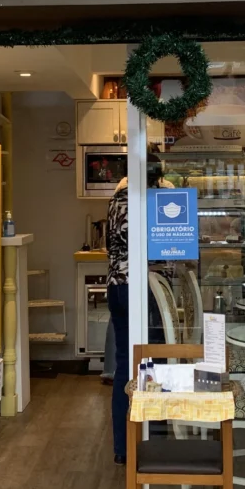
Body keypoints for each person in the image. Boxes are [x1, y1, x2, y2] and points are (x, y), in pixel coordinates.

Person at [106, 155, 170, 465]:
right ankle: (152, 440)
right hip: (140, 288)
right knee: (153, 362)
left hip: (118, 287)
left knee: (125, 365)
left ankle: (124, 446)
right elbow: (148, 245)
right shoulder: (142, 202)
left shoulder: (118, 199)